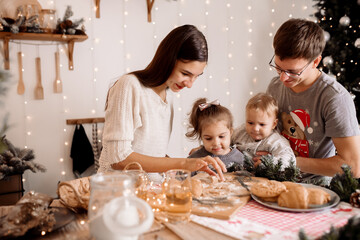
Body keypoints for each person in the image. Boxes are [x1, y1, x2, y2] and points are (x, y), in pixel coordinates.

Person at [98, 24, 226, 181]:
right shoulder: (130, 85)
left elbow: (150, 154)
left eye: (196, 76)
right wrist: (183, 163)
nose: (190, 84)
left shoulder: (167, 97)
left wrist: (194, 162)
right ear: (168, 59)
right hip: (118, 193)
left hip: (151, 192)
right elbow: (118, 158)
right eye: (185, 73)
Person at [266, 18, 360, 183]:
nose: (282, 78)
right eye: (278, 68)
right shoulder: (274, 86)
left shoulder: (334, 98)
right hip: (273, 180)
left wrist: (292, 162)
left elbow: (353, 167)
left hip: (316, 189)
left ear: (315, 62)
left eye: (292, 71)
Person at [231, 93, 295, 169]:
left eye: (262, 124)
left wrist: (269, 162)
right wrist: (231, 151)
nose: (255, 128)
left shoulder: (275, 141)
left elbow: (289, 159)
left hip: (264, 177)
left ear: (273, 124)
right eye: (250, 123)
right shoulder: (241, 132)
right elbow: (226, 141)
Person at [186, 98, 244, 171]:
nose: (216, 143)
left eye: (221, 136)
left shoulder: (240, 159)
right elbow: (181, 178)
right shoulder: (196, 159)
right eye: (208, 138)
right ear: (201, 136)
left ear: (231, 132)